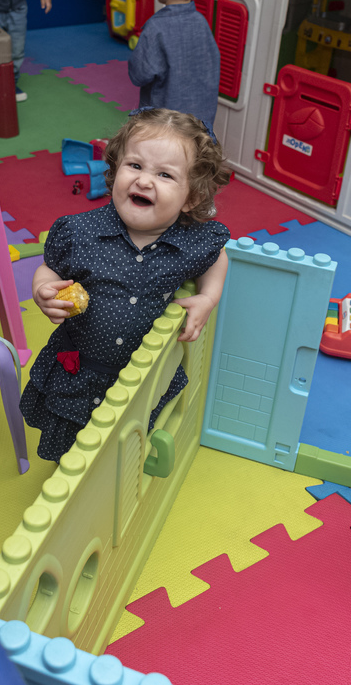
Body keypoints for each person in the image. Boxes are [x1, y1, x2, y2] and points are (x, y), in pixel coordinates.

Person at [21, 108, 231, 461]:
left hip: (139, 376)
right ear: (115, 168)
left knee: (124, 445)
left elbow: (217, 256)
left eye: (164, 174)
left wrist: (208, 297)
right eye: (134, 165)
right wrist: (44, 291)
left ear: (191, 198)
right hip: (81, 367)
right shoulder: (79, 232)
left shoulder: (193, 239)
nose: (144, 181)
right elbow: (50, 268)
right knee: (71, 445)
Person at [128, 0, 220, 133]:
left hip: (164, 131)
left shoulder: (156, 28)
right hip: (200, 131)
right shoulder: (202, 23)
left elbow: (138, 75)